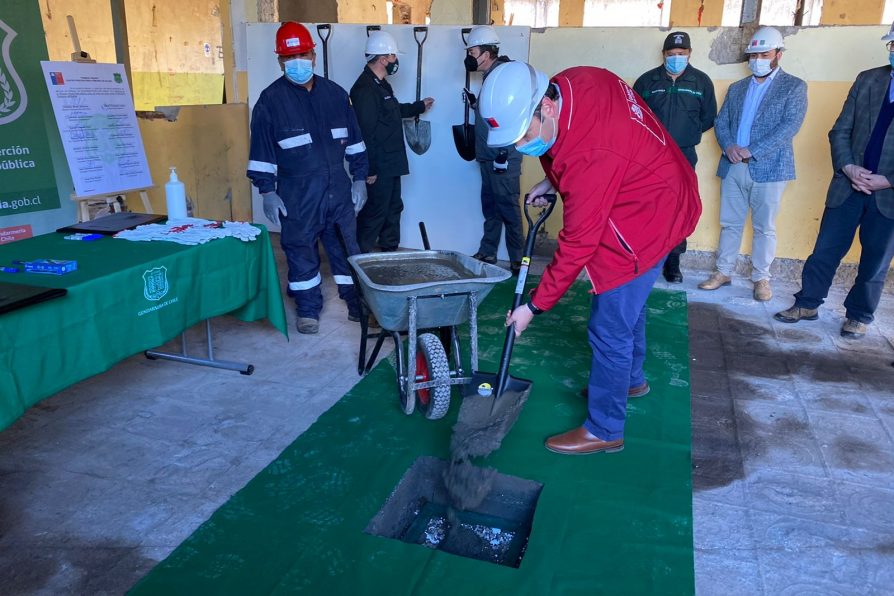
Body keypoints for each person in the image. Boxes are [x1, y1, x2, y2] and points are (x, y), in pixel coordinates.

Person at [481, 62, 701, 455]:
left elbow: (578, 244)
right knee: (626, 307)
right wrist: (553, 178)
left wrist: (534, 305)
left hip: (647, 217)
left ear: (546, 107)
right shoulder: (576, 80)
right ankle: (630, 379)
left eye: (524, 135)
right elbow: (581, 145)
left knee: (609, 324)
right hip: (660, 186)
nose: (520, 147)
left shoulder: (591, 156)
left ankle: (604, 428)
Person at [247, 22, 369, 335]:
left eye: (302, 54)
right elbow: (261, 153)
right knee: (300, 252)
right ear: (279, 62)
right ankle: (308, 308)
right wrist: (267, 192)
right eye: (290, 57)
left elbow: (355, 142)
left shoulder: (336, 95)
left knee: (347, 250)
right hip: (297, 194)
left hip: (338, 192)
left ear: (313, 55)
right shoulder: (270, 101)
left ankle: (357, 304)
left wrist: (358, 178)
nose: (297, 62)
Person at [775, 24, 894, 339]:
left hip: (887, 195)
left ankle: (859, 316)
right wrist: (848, 167)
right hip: (849, 185)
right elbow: (840, 130)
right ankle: (807, 303)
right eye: (893, 45)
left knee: (875, 261)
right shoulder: (869, 79)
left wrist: (889, 180)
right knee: (825, 249)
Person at [699, 26, 807, 301]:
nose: (757, 59)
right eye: (754, 54)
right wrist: (729, 146)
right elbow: (721, 121)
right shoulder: (737, 88)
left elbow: (789, 127)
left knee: (764, 227)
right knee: (730, 223)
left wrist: (751, 150)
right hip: (733, 165)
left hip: (769, 169)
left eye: (764, 53)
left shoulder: (793, 87)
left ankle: (761, 278)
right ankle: (723, 271)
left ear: (778, 55)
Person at [633, 30, 717, 283]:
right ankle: (644, 257)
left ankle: (673, 262)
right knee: (647, 205)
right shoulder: (647, 82)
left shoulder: (701, 82)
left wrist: (685, 135)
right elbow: (635, 115)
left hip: (683, 155)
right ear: (664, 55)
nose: (677, 58)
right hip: (651, 156)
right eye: (672, 54)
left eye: (681, 54)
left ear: (690, 53)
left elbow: (708, 118)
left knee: (679, 208)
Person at [350, 31, 434, 253]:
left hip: (391, 161)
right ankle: (358, 259)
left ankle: (389, 252)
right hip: (379, 165)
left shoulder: (380, 84)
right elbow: (366, 133)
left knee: (393, 208)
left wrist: (418, 106)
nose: (396, 61)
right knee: (375, 211)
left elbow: (392, 111)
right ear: (383, 59)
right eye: (394, 57)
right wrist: (370, 169)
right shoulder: (364, 89)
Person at [462, 25, 524, 274]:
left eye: (473, 50)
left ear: (486, 53)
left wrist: (503, 151)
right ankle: (488, 250)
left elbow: (513, 114)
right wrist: (476, 105)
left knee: (507, 205)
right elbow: (494, 111)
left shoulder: (505, 75)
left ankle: (518, 259)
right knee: (490, 205)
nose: (469, 56)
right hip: (488, 154)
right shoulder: (492, 75)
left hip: (503, 154)